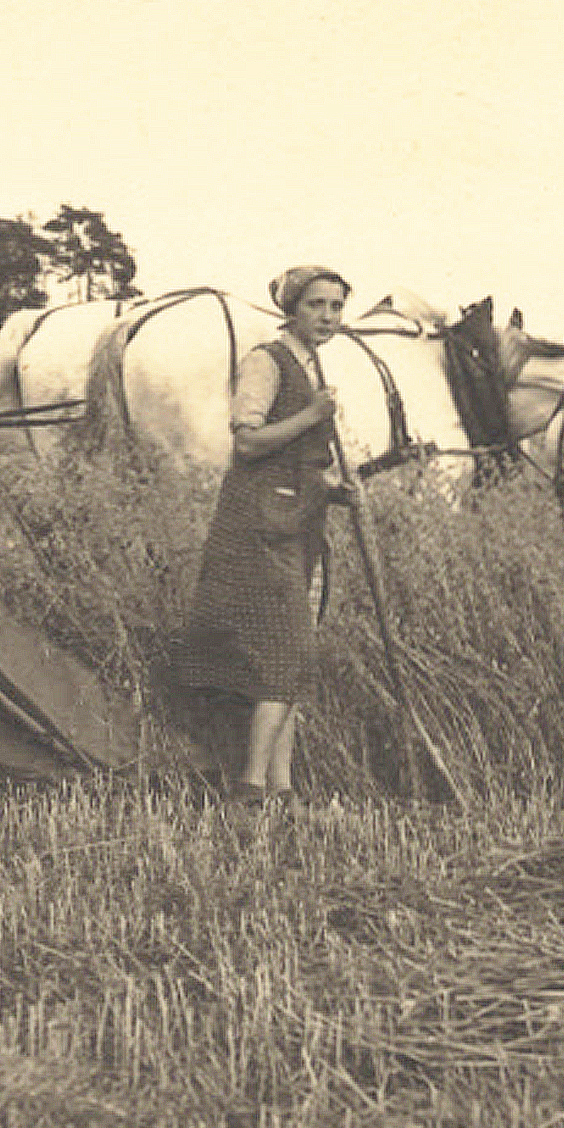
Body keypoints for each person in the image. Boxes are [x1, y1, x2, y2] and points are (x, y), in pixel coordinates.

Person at [173, 265, 358, 803]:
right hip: (257, 523)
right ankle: (251, 786)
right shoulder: (265, 362)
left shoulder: (309, 362)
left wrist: (334, 489)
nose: (327, 317)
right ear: (291, 309)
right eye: (316, 305)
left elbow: (296, 460)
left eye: (336, 307)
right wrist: (312, 415)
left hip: (298, 519)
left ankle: (282, 789)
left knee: (292, 658)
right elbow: (248, 446)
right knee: (290, 651)